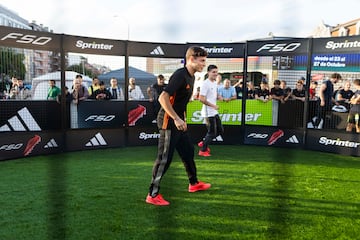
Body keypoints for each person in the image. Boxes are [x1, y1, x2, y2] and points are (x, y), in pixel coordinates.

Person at [146, 46, 211, 206]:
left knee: (188, 152)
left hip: (178, 121)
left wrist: (183, 119)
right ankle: (152, 195)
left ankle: (194, 183)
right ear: (191, 59)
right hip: (168, 121)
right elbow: (163, 98)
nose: (204, 64)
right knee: (164, 159)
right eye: (202, 61)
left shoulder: (193, 77)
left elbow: (180, 101)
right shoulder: (180, 75)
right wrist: (176, 118)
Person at [198, 64, 223, 157]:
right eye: (213, 72)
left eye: (216, 72)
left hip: (214, 112)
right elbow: (201, 99)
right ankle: (203, 150)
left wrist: (218, 96)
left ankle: (204, 142)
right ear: (208, 72)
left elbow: (213, 93)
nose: (215, 74)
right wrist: (213, 106)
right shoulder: (205, 83)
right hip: (208, 113)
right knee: (212, 132)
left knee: (220, 131)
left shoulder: (214, 83)